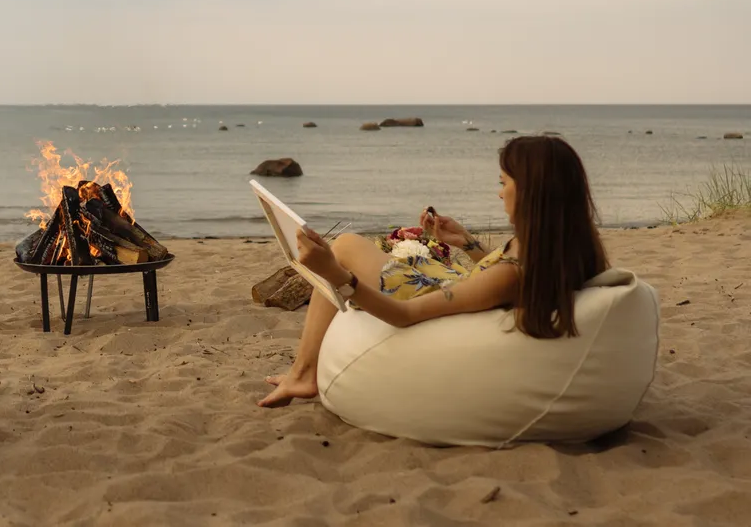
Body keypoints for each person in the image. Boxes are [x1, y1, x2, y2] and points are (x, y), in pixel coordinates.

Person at [259, 134, 610, 409]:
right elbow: (505, 276)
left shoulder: (514, 273)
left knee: (344, 248)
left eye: (504, 182)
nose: (498, 192)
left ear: (532, 192)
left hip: (423, 295)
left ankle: (304, 373)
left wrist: (338, 276)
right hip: (453, 282)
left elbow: (405, 315)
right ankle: (301, 370)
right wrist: (466, 243)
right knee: (348, 244)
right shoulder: (561, 246)